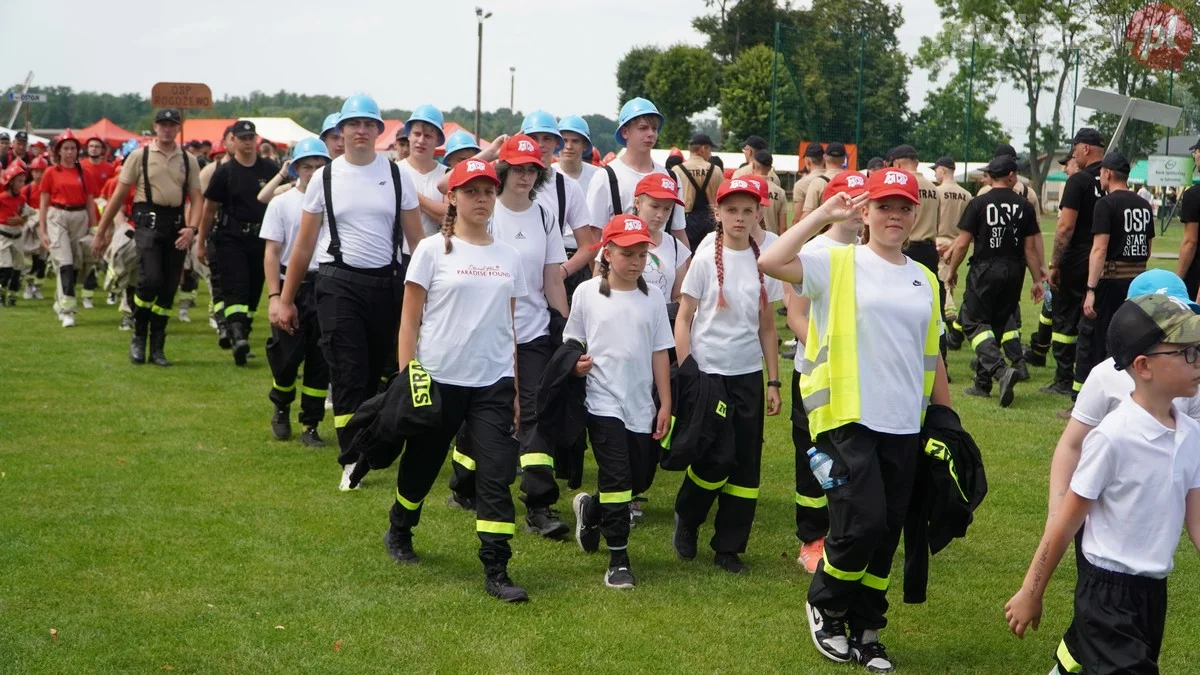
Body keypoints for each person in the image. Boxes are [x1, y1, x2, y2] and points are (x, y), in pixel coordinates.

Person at [758, 167, 951, 674]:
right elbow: (771, 260)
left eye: (903, 207)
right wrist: (823, 214)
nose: (894, 215)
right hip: (844, 418)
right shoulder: (836, 261)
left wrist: (947, 421)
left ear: (915, 216)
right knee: (860, 520)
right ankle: (825, 604)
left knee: (887, 529)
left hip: (904, 424)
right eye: (883, 206)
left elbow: (932, 356)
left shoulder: (925, 279)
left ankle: (867, 629)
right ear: (865, 212)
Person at [1005, 293, 1200, 675]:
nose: (1197, 361)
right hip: (1106, 594)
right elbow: (1065, 523)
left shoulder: (1191, 434)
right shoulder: (1113, 438)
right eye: (1187, 352)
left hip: (1152, 593)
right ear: (1144, 366)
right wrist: (1031, 592)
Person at [385, 157, 531, 602]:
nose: (482, 199)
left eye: (488, 191)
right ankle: (400, 527)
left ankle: (497, 568)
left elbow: (512, 326)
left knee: (495, 475)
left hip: (492, 384)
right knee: (422, 467)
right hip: (438, 379)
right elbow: (409, 323)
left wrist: (518, 389)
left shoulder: (509, 255)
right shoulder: (431, 251)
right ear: (452, 198)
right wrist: (410, 377)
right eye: (472, 192)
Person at [274, 94, 423, 491]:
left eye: (368, 124)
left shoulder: (396, 175)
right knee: (348, 374)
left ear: (379, 131)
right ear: (340, 132)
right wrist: (285, 299)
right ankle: (352, 458)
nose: (360, 131)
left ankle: (377, 441)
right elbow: (303, 245)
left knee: (385, 374)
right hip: (339, 284)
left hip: (389, 283)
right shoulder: (325, 177)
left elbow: (416, 240)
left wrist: (432, 292)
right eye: (352, 125)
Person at [447, 134, 570, 537]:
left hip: (532, 333)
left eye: (532, 168)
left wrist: (568, 328)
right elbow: (445, 184)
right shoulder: (485, 210)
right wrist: (489, 150)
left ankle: (539, 504)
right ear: (502, 169)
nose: (524, 175)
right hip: (488, 331)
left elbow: (552, 276)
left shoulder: (545, 215)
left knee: (533, 413)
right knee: (485, 413)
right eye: (517, 167)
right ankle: (463, 483)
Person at [672, 177, 783, 575]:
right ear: (717, 214)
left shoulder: (765, 262)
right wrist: (688, 371)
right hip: (709, 375)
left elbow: (767, 327)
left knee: (745, 465)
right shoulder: (704, 259)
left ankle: (729, 547)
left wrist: (773, 380)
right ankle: (688, 516)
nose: (740, 217)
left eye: (747, 210)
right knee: (716, 456)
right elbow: (683, 319)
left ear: (758, 214)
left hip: (748, 376)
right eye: (731, 210)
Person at [1046, 269, 1200, 529]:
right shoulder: (1104, 377)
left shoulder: (1189, 380)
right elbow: (1072, 445)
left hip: (1155, 514)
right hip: (1102, 507)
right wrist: (1057, 511)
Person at [568, 214, 673, 589]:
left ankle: (590, 508)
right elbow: (574, 342)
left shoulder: (654, 297)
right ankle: (618, 559)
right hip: (602, 401)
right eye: (627, 254)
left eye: (642, 254)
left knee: (639, 477)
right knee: (616, 477)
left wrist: (665, 403)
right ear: (607, 253)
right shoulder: (586, 293)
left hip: (641, 404)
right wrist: (576, 366)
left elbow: (661, 352)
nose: (635, 262)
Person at [784, 169, 866, 574]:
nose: (858, 211)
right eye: (848, 203)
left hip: (859, 379)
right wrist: (829, 356)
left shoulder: (870, 252)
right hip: (818, 377)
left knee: (850, 457)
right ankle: (811, 538)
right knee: (814, 458)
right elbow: (796, 318)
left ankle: (845, 531)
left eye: (863, 202)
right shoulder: (814, 251)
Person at [91, 109, 202, 366]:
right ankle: (139, 335)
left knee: (168, 287)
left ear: (178, 128)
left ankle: (158, 347)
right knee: (150, 280)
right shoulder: (139, 156)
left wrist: (192, 228)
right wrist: (103, 230)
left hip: (176, 225)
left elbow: (197, 199)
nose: (167, 129)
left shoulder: (188, 159)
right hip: (147, 224)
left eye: (172, 125)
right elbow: (118, 195)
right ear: (155, 127)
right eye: (162, 124)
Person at [944, 155, 1044, 406]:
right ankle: (982, 384)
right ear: (1011, 176)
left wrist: (952, 270)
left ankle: (1000, 372)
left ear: (993, 176)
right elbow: (1030, 248)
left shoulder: (980, 203)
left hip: (985, 269)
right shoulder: (1025, 206)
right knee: (997, 325)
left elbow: (963, 242)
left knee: (971, 320)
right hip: (1015, 270)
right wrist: (1036, 280)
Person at [261, 137, 330, 447]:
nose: (314, 172)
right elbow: (272, 253)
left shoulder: (336, 202)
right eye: (307, 166)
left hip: (327, 285)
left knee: (321, 359)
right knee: (286, 357)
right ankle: (281, 403)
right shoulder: (282, 203)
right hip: (293, 285)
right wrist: (276, 297)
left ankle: (311, 423)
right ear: (296, 169)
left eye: (320, 166)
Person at [198, 120, 281, 365]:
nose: (247, 142)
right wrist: (201, 241)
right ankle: (236, 334)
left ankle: (243, 332)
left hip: (260, 238)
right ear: (233, 139)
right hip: (230, 238)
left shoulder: (269, 169)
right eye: (242, 138)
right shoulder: (224, 171)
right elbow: (209, 209)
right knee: (237, 287)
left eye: (250, 138)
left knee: (255, 290)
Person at [1075, 152, 1153, 399]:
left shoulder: (1106, 204)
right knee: (1129, 339)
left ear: (1108, 173)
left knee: (1098, 340)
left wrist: (1090, 290)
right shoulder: (1143, 204)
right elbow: (1147, 248)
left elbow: (1099, 249)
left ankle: (1094, 399)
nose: (1099, 176)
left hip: (1110, 282)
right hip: (1137, 282)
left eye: (1101, 172)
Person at [1047, 128, 1106, 401]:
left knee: (1066, 318)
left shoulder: (1079, 181)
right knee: (1093, 319)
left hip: (1077, 259)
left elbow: (1065, 227)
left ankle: (1063, 377)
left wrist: (1055, 263)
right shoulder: (1113, 180)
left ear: (1085, 149)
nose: (1073, 155)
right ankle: (1093, 373)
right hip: (1104, 261)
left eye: (1075, 149)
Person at [585, 97, 688, 249]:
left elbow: (678, 231)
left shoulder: (671, 178)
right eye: (643, 128)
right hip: (618, 268)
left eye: (654, 128)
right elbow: (593, 235)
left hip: (662, 269)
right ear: (625, 132)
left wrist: (686, 269)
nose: (651, 134)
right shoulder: (605, 177)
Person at [519, 111, 596, 300]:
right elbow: (446, 185)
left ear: (556, 143)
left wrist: (561, 271)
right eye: (533, 138)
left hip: (551, 275)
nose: (540, 144)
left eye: (547, 138)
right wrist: (497, 151)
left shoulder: (568, 187)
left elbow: (588, 245)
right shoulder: (502, 179)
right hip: (512, 274)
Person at [37, 129, 97, 328]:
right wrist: (43, 231)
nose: (70, 152)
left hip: (80, 217)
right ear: (59, 151)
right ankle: (68, 310)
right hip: (58, 216)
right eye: (66, 149)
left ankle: (60, 300)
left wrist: (93, 228)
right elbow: (43, 204)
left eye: (73, 148)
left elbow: (90, 203)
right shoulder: (51, 173)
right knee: (65, 262)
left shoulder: (85, 173)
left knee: (77, 264)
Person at [1027, 154, 1080, 368]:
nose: (1065, 168)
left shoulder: (1078, 186)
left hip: (1072, 264)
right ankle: (1040, 348)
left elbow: (1065, 228)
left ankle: (1063, 371)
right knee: (1049, 305)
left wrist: (1053, 264)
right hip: (1072, 262)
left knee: (1062, 314)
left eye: (1068, 163)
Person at [933, 156, 972, 349]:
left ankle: (950, 320)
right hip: (958, 243)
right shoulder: (966, 195)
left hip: (938, 242)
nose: (935, 174)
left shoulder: (936, 192)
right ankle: (953, 328)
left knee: (943, 284)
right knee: (950, 280)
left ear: (943, 170)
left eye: (936, 170)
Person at [397, 105, 448, 243]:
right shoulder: (394, 171)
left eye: (428, 136)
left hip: (437, 253)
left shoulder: (445, 174)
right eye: (417, 134)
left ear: (438, 140)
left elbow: (447, 215)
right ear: (408, 135)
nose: (421, 141)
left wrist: (410, 193)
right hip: (401, 257)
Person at [674, 133, 720, 251]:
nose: (710, 154)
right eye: (710, 149)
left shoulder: (677, 170)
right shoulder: (716, 170)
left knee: (685, 253)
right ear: (704, 149)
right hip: (710, 222)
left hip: (685, 222)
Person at [0, 160, 29, 306]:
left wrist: (21, 219)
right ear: (10, 182)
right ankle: (1, 292)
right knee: (5, 267)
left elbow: (25, 216)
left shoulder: (22, 199)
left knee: (17, 268)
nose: (21, 184)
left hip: (17, 235)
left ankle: (12, 294)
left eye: (23, 181)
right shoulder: (2, 198)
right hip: (3, 236)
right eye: (19, 181)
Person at [1176, 138, 1200, 298]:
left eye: (1196, 152)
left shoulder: (1194, 195)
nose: (1194, 156)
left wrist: (1177, 279)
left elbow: (1190, 242)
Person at [800, 142, 847, 221]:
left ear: (824, 157)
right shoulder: (852, 180)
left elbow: (807, 215)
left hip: (824, 232)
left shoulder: (818, 182)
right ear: (844, 159)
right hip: (849, 232)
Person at [555, 115, 599, 194]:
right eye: (564, 140)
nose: (569, 146)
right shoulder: (546, 175)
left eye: (575, 141)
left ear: (585, 145)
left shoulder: (598, 176)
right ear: (557, 143)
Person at [752, 150, 787, 234]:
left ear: (753, 165)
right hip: (772, 241)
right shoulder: (780, 192)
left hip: (748, 240)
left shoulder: (746, 188)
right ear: (770, 168)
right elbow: (783, 227)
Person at [791, 144, 825, 227]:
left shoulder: (801, 184)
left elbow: (797, 219)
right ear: (824, 159)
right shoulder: (834, 179)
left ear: (807, 161)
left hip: (810, 233)